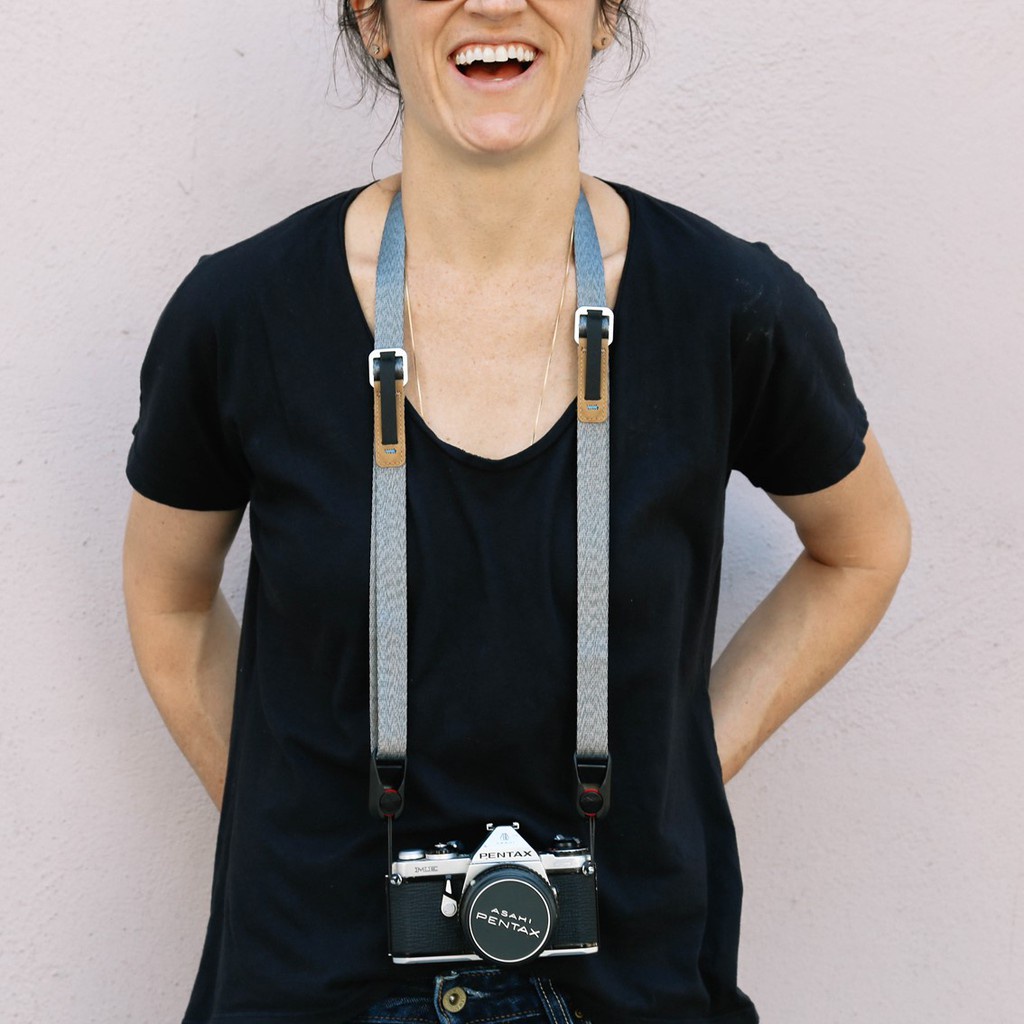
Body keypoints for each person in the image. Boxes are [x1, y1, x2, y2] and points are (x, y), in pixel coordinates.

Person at [122, 2, 911, 1022]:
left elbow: (863, 548)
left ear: (603, 15)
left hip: (628, 986)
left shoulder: (727, 307)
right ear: (371, 20)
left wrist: (678, 772)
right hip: (312, 988)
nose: (495, 3)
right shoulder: (239, 315)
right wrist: (293, 830)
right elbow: (170, 602)